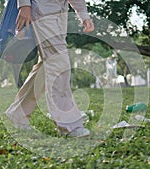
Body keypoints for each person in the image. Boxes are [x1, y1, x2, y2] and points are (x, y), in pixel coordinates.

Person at [5, 0, 94, 137]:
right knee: (58, 63)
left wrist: (84, 15)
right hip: (41, 10)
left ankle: (18, 113)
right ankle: (69, 125)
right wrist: (24, 5)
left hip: (60, 14)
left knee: (46, 67)